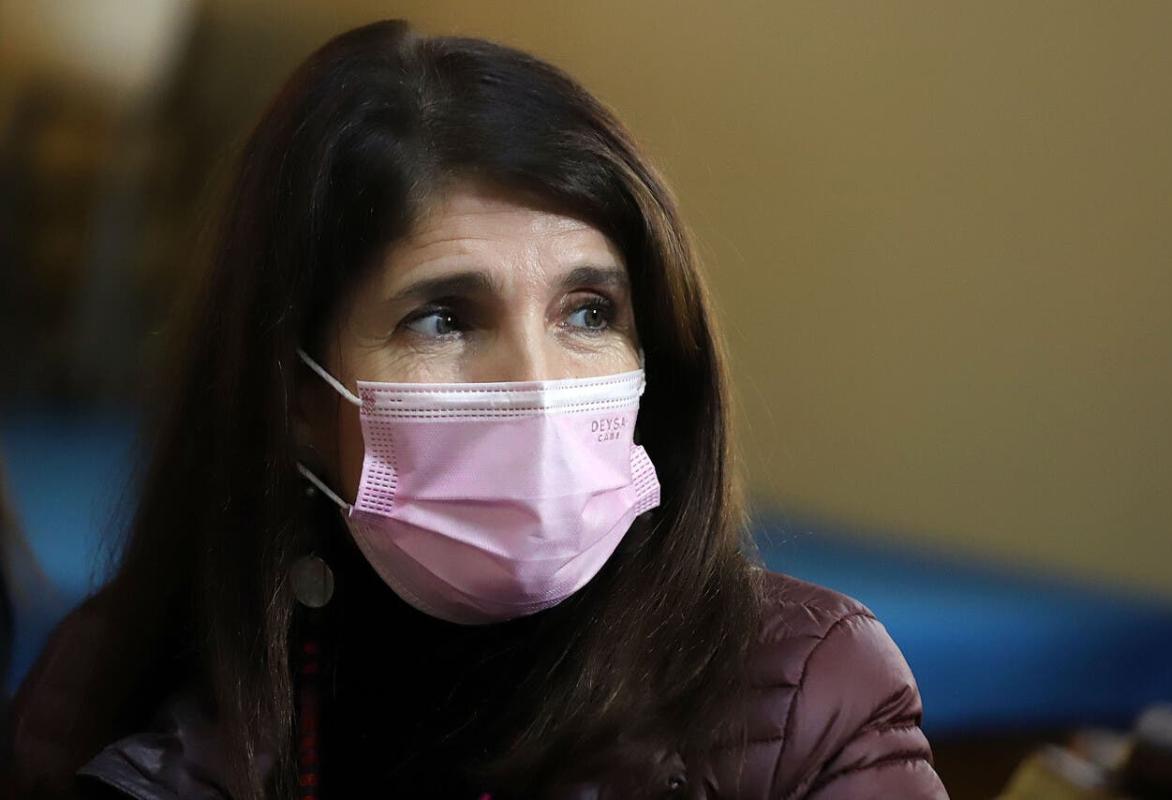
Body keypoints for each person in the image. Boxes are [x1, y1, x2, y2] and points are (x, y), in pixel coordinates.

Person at [8, 19, 947, 799]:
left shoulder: (809, 692)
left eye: (589, 312)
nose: (536, 383)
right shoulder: (111, 686)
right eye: (443, 318)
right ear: (295, 398)